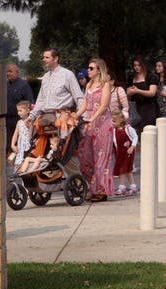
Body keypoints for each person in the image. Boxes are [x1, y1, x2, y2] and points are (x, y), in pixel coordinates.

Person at [27, 48, 84, 158]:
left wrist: (80, 117)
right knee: (36, 144)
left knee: (60, 151)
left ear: (56, 59)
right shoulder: (45, 77)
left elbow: (79, 97)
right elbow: (40, 100)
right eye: (43, 57)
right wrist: (31, 116)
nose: (43, 59)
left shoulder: (68, 75)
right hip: (46, 117)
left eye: (47, 57)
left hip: (61, 117)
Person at [73, 58, 113, 202]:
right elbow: (85, 103)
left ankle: (101, 191)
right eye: (88, 68)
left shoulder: (105, 85)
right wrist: (76, 115)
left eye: (91, 68)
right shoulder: (89, 84)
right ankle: (92, 187)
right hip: (89, 124)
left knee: (101, 158)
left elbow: (104, 105)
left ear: (98, 70)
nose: (88, 70)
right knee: (86, 157)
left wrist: (93, 117)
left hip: (102, 123)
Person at [6, 64, 34, 153]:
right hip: (7, 121)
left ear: (17, 73)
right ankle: (9, 165)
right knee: (9, 145)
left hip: (21, 121)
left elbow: (30, 103)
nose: (8, 73)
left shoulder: (23, 85)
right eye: (7, 71)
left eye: (10, 71)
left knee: (21, 146)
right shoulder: (4, 85)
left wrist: (28, 120)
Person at [127, 56, 159, 133]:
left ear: (143, 65)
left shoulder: (150, 76)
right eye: (135, 65)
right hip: (137, 108)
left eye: (139, 65)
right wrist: (129, 93)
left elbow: (152, 93)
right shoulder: (131, 78)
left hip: (150, 107)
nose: (137, 67)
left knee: (149, 130)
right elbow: (129, 97)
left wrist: (138, 91)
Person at [111, 110, 139, 196]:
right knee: (124, 170)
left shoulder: (128, 128)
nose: (112, 123)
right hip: (119, 153)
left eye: (114, 121)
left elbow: (135, 137)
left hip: (128, 152)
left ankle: (123, 187)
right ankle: (131, 186)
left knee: (125, 169)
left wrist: (132, 147)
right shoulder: (114, 130)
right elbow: (114, 142)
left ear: (121, 120)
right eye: (112, 121)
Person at [10, 101, 33, 170]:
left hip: (27, 144)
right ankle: (18, 171)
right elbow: (15, 134)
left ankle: (23, 171)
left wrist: (29, 126)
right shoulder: (19, 122)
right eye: (18, 111)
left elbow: (30, 135)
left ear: (28, 111)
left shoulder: (30, 121)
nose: (18, 113)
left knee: (24, 159)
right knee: (15, 160)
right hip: (20, 145)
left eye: (20, 110)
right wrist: (13, 144)